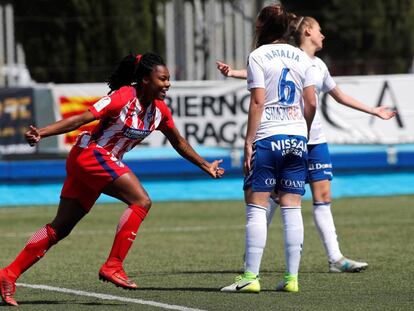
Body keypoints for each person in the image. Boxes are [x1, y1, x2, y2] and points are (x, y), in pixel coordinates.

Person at [0, 52, 225, 307]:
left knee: (59, 228)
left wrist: (206, 165)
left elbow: (179, 142)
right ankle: (113, 265)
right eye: (162, 79)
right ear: (144, 80)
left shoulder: (159, 110)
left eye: (168, 79)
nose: (167, 84)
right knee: (141, 201)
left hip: (93, 161)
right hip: (90, 155)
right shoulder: (122, 97)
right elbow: (81, 118)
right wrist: (42, 132)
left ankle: (8, 274)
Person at [216, 14, 396, 275]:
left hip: (314, 140)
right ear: (308, 31)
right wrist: (234, 73)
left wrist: (373, 110)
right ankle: (254, 258)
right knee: (275, 198)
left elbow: (339, 95)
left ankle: (335, 257)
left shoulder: (318, 65)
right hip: (294, 136)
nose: (323, 35)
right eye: (320, 30)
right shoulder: (292, 56)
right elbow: (265, 75)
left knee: (321, 196)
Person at [221, 4, 318, 294]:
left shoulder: (258, 55)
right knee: (292, 207)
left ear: (262, 26)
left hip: (268, 137)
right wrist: (304, 132)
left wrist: (249, 141)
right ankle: (292, 280)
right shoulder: (302, 57)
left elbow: (258, 102)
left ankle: (250, 277)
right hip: (297, 138)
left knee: (256, 207)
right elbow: (311, 102)